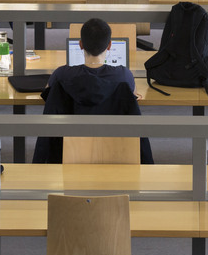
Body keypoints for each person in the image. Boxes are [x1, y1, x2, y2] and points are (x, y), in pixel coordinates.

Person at [33, 18, 154, 164]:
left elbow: (49, 95)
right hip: (116, 152)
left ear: (80, 45)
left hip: (68, 153)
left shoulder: (61, 75)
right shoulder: (123, 76)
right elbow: (131, 95)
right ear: (109, 46)